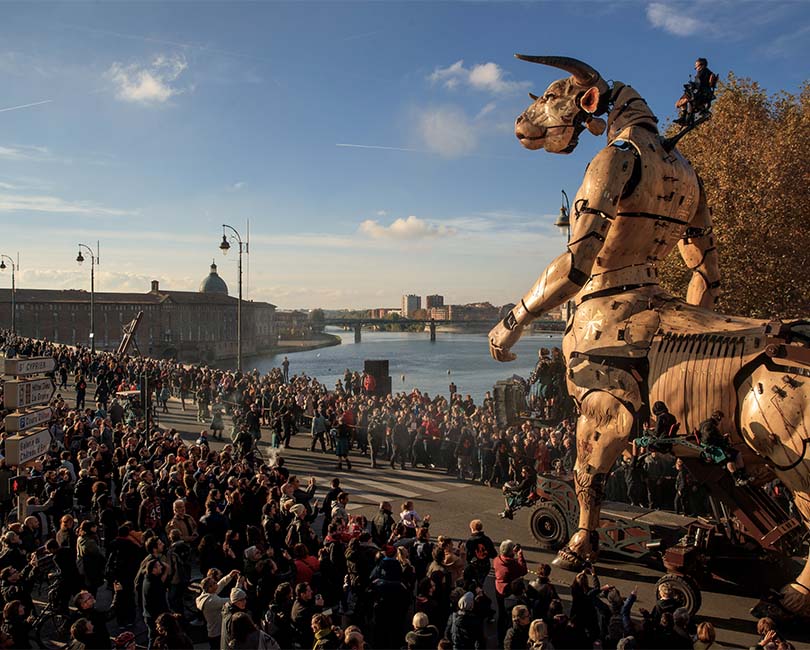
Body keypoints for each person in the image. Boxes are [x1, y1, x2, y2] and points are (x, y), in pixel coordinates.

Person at [699, 410, 750, 485]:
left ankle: (743, 475)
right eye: (720, 420)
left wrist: (723, 438)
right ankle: (737, 479)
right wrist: (722, 439)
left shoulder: (707, 424)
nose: (720, 422)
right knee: (729, 459)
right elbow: (708, 438)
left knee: (737, 454)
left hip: (718, 447)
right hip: (714, 450)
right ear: (718, 418)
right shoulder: (708, 426)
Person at [494, 540, 528, 644]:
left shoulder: (497, 560)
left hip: (498, 589)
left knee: (501, 613)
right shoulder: (512, 564)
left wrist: (511, 553)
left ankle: (499, 637)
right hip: (509, 592)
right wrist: (520, 555)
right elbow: (523, 570)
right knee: (510, 615)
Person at [675, 57, 717, 126]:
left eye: (697, 66)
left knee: (678, 103)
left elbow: (698, 85)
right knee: (685, 101)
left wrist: (691, 86)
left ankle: (685, 118)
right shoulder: (708, 73)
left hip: (699, 94)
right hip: (704, 94)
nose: (696, 69)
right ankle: (688, 117)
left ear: (702, 65)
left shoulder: (702, 73)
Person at [464, 519, 497, 588]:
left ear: (472, 528)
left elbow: (467, 557)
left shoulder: (470, 541)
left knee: (470, 583)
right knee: (480, 583)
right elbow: (494, 554)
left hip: (474, 567)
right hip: (485, 565)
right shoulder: (487, 539)